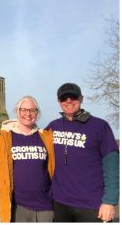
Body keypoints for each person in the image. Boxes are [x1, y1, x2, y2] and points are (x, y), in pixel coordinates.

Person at [45, 82, 119, 222]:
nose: (68, 101)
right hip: (60, 203)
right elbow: (33, 143)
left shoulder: (100, 126)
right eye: (64, 98)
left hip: (92, 204)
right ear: (59, 101)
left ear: (81, 99)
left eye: (73, 97)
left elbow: (112, 166)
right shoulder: (53, 127)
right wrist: (15, 128)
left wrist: (109, 201)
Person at [0, 96, 55, 222]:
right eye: (23, 110)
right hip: (18, 207)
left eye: (32, 110)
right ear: (17, 111)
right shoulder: (5, 138)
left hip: (46, 207)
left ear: (37, 113)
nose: (28, 114)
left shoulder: (46, 137)